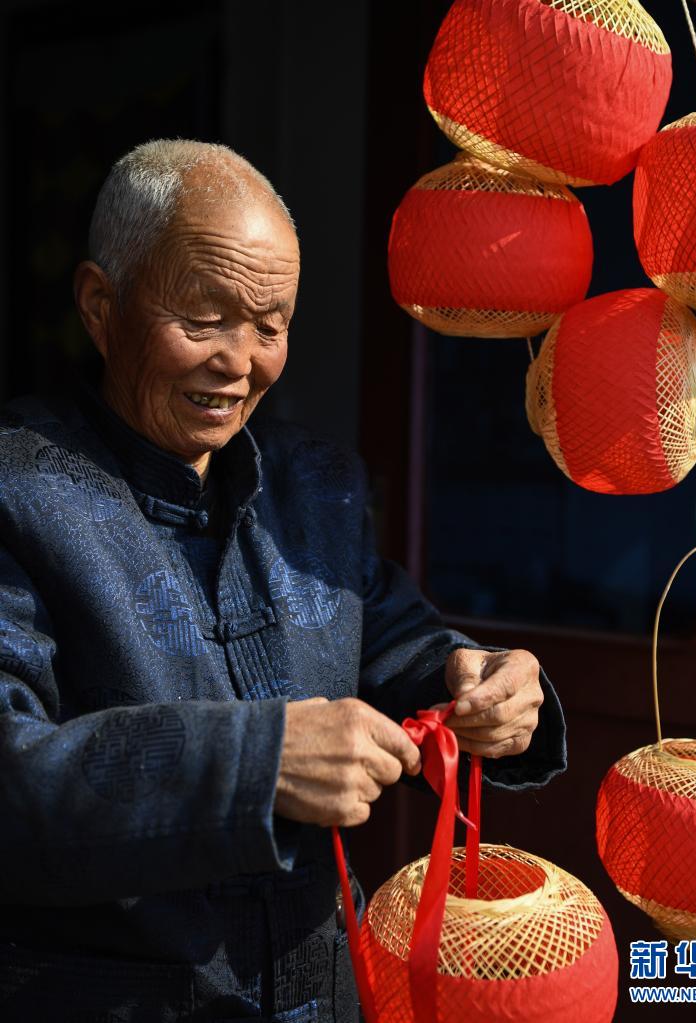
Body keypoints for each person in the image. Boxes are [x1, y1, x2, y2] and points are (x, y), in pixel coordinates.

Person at [0, 140, 566, 1022]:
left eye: (269, 325)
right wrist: (253, 767)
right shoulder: (19, 491)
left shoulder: (315, 488)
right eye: (204, 318)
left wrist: (477, 675)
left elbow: (396, 639)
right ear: (100, 305)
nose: (240, 360)